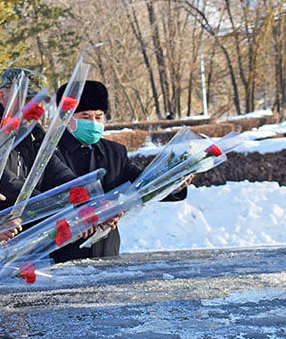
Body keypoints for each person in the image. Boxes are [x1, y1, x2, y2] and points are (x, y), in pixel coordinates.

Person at [51, 79, 187, 261]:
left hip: (106, 251)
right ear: (67, 117)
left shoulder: (114, 152)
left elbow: (142, 183)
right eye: (85, 117)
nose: (93, 123)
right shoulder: (50, 153)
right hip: (61, 253)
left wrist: (172, 182)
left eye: (98, 117)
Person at [0, 67, 78, 205]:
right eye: (26, 99)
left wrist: (81, 192)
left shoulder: (31, 131)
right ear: (2, 96)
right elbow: (3, 182)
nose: (35, 106)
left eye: (39, 101)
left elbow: (52, 168)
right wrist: (50, 205)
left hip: (25, 218)